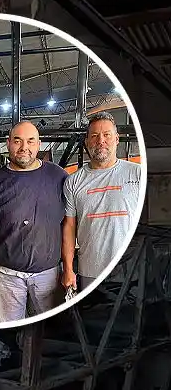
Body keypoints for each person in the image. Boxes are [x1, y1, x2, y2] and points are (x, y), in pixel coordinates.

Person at [0, 121, 67, 322]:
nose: (24, 147)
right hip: (6, 274)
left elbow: (71, 220)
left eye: (30, 141)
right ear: (8, 144)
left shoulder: (58, 176)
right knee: (11, 328)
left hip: (47, 274)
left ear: (39, 144)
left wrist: (68, 268)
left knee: (49, 328)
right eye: (18, 141)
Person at [61, 111, 141, 291]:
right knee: (93, 318)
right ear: (87, 141)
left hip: (133, 270)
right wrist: (68, 269)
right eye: (95, 136)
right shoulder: (73, 181)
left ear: (117, 139)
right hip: (90, 271)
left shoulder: (138, 174)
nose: (101, 141)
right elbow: (69, 227)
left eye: (107, 135)